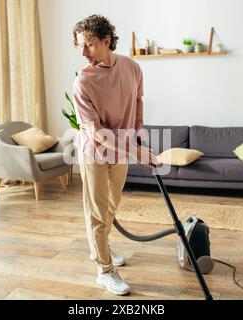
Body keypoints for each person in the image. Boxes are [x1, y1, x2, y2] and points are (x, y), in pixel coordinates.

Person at [72, 14, 157, 296]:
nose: (83, 53)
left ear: (106, 41)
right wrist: (134, 150)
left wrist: (140, 135)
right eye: (79, 46)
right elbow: (96, 131)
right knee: (96, 214)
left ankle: (101, 247)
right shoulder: (83, 82)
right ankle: (105, 271)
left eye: (89, 45)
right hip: (94, 153)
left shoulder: (132, 69)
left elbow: (138, 102)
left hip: (119, 153)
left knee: (111, 207)